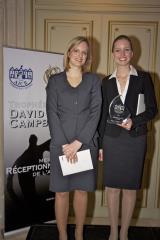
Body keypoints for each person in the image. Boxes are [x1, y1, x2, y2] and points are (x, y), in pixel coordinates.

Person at [98, 35, 157, 240]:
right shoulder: (106, 82)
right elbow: (102, 114)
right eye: (117, 50)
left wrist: (135, 121)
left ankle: (124, 233)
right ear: (113, 54)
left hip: (135, 139)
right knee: (112, 188)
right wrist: (100, 146)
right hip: (111, 139)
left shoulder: (143, 78)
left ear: (132, 53)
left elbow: (153, 110)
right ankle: (113, 231)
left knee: (130, 189)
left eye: (126, 49)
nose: (122, 54)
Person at [46, 36, 102, 240]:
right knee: (61, 193)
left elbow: (96, 112)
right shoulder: (54, 81)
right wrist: (64, 145)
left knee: (81, 192)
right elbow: (51, 113)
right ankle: (62, 235)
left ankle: (78, 234)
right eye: (76, 50)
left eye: (84, 52)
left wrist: (78, 143)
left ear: (88, 57)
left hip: (85, 145)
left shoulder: (95, 80)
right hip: (60, 146)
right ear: (69, 52)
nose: (80, 55)